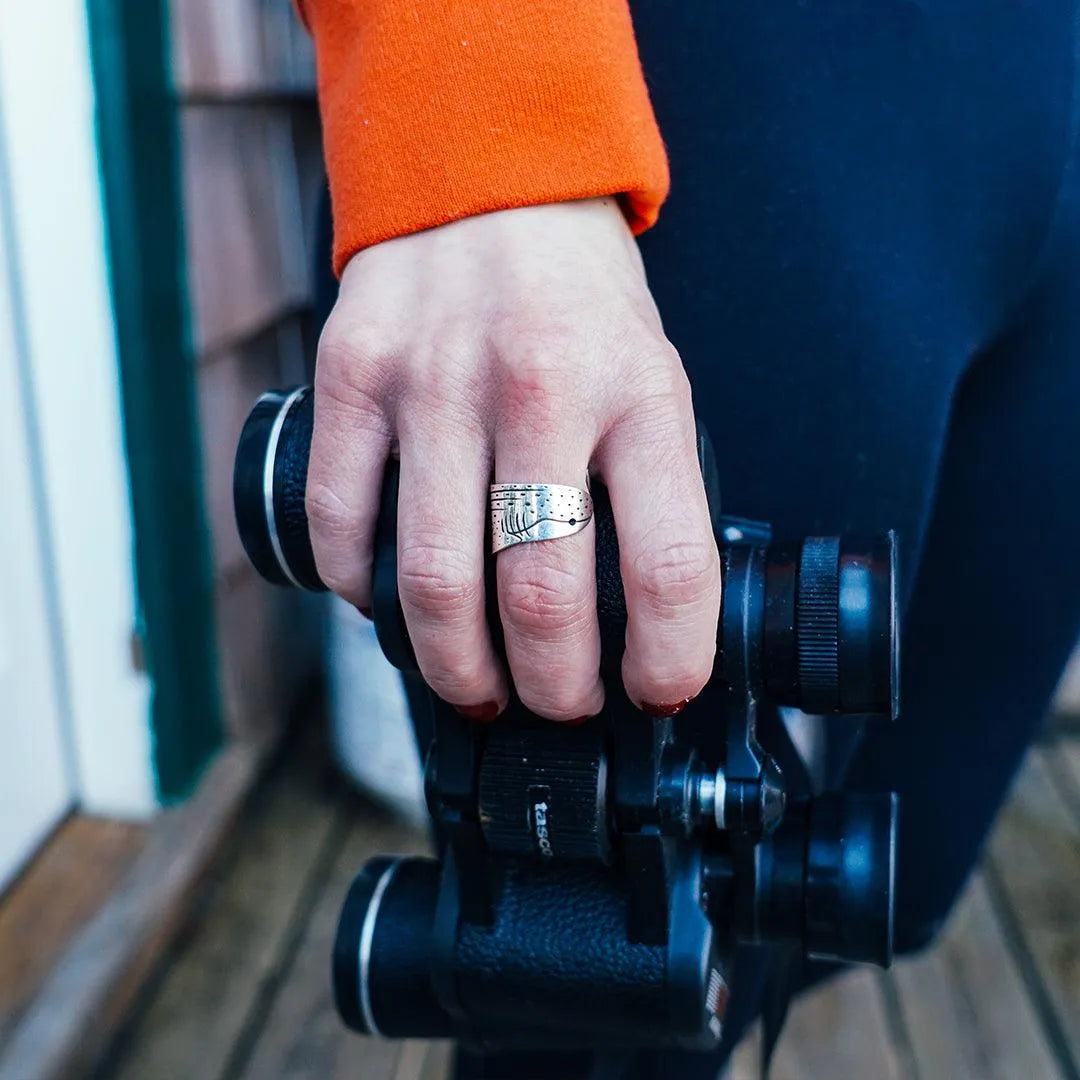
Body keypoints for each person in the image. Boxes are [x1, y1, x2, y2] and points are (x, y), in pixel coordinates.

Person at [295, 0, 1080, 1075]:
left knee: (894, 877)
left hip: (1039, 80)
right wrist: (478, 121)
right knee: (607, 998)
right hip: (704, 105)